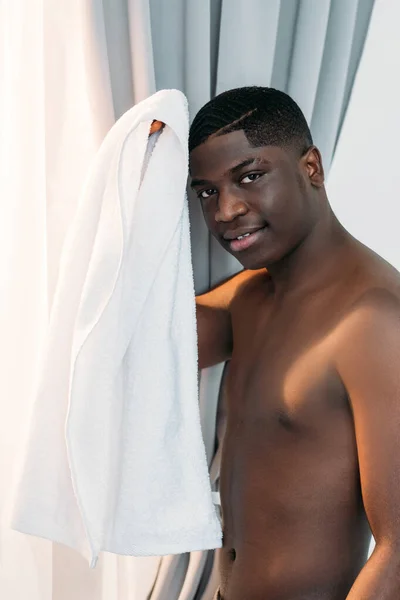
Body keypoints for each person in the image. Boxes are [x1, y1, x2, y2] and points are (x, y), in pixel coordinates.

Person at [154, 86, 400, 599]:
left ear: (311, 167)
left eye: (249, 177)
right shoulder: (249, 297)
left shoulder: (375, 322)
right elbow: (147, 350)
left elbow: (398, 549)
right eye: (206, 192)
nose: (225, 211)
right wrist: (134, 182)